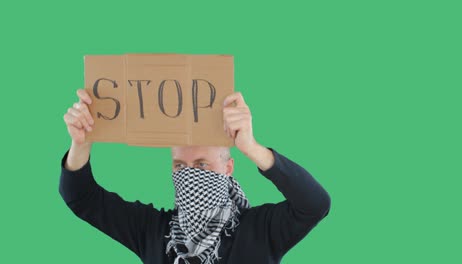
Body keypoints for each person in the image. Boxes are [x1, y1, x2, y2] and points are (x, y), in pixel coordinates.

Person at [59, 89, 331, 264]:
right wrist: (81, 143)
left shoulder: (260, 231)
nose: (189, 176)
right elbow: (81, 197)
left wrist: (252, 148)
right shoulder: (153, 231)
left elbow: (315, 204)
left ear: (228, 168)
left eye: (201, 166)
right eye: (180, 166)